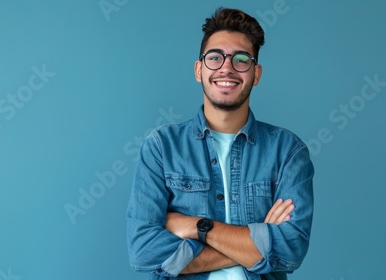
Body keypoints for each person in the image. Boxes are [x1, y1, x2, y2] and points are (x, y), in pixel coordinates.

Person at [126, 7, 314, 280]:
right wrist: (258, 244)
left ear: (256, 73)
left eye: (241, 59)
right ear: (199, 70)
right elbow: (143, 252)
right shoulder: (161, 148)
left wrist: (199, 227)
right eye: (215, 57)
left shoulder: (288, 151)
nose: (227, 67)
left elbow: (291, 250)